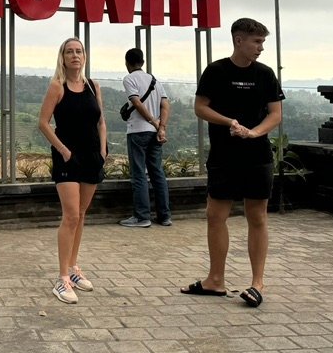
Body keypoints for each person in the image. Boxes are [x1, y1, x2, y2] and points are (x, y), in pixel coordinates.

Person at [181, 17, 283, 308]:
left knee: (257, 216)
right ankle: (215, 280)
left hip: (257, 156)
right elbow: (200, 107)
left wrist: (253, 133)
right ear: (239, 40)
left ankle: (257, 283)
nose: (261, 48)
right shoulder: (216, 71)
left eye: (262, 42)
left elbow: (275, 114)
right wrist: (229, 122)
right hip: (224, 156)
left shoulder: (265, 75)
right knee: (215, 215)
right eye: (257, 42)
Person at [38, 37, 108, 304]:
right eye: (70, 52)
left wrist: (102, 150)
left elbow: (101, 121)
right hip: (68, 158)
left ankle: (73, 267)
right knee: (69, 216)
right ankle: (62, 278)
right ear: (63, 57)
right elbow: (43, 123)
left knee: (80, 214)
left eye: (79, 51)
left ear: (84, 56)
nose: (75, 55)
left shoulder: (93, 86)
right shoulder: (58, 86)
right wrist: (64, 150)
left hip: (92, 156)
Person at [119, 47, 172, 229]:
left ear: (127, 63)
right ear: (142, 62)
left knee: (139, 174)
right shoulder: (155, 81)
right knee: (157, 173)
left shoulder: (129, 79)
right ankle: (164, 216)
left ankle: (142, 217)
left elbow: (136, 102)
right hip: (155, 133)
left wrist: (152, 121)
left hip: (138, 131)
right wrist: (161, 127)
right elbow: (165, 105)